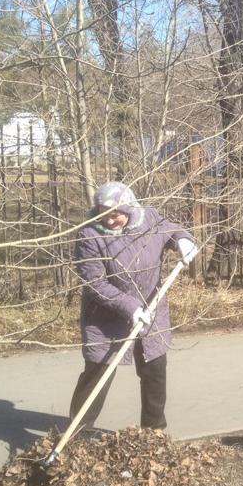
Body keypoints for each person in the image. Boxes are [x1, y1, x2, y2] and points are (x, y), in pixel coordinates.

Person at [68, 181, 198, 434]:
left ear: (128, 208)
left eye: (115, 213)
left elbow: (171, 230)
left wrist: (183, 240)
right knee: (97, 374)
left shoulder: (149, 219)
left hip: (152, 311)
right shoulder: (89, 235)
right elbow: (94, 283)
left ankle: (154, 431)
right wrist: (129, 306)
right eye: (103, 213)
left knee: (154, 372)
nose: (109, 220)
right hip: (106, 318)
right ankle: (78, 432)